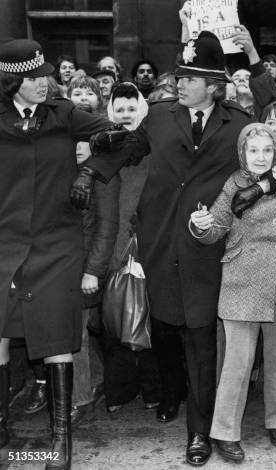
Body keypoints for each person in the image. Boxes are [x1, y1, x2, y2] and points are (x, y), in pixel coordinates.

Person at [70, 31, 252, 467]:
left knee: (203, 344)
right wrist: (89, 172)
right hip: (160, 246)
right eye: (181, 75)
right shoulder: (159, 115)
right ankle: (171, 396)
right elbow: (129, 151)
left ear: (214, 84)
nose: (181, 82)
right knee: (167, 331)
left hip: (209, 249)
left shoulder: (240, 123)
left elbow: (264, 163)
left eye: (191, 77)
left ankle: (199, 434)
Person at [0, 38, 118, 470]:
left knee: (56, 336)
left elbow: (123, 139)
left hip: (57, 244)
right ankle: (2, 435)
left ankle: (59, 443)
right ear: (12, 81)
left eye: (45, 75)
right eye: (33, 78)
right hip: (4, 242)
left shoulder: (65, 113)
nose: (44, 83)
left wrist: (90, 171)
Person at [189, 122, 276, 461]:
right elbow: (215, 228)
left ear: (275, 151)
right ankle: (225, 432)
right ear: (242, 152)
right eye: (253, 150)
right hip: (242, 278)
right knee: (238, 362)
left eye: (266, 150)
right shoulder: (234, 183)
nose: (260, 157)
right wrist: (199, 226)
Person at [101, 82, 162, 416]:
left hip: (146, 244)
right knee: (115, 320)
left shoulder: (152, 148)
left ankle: (153, 390)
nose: (126, 115)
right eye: (119, 109)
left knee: (147, 321)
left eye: (131, 108)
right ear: (111, 112)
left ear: (142, 110)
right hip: (113, 245)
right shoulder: (103, 148)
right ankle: (119, 391)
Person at [66, 76, 117, 425]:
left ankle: (82, 399)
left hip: (85, 268)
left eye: (83, 142)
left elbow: (107, 226)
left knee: (77, 334)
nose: (77, 147)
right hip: (60, 264)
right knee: (75, 334)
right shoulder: (63, 171)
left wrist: (92, 271)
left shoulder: (102, 175)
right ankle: (93, 383)